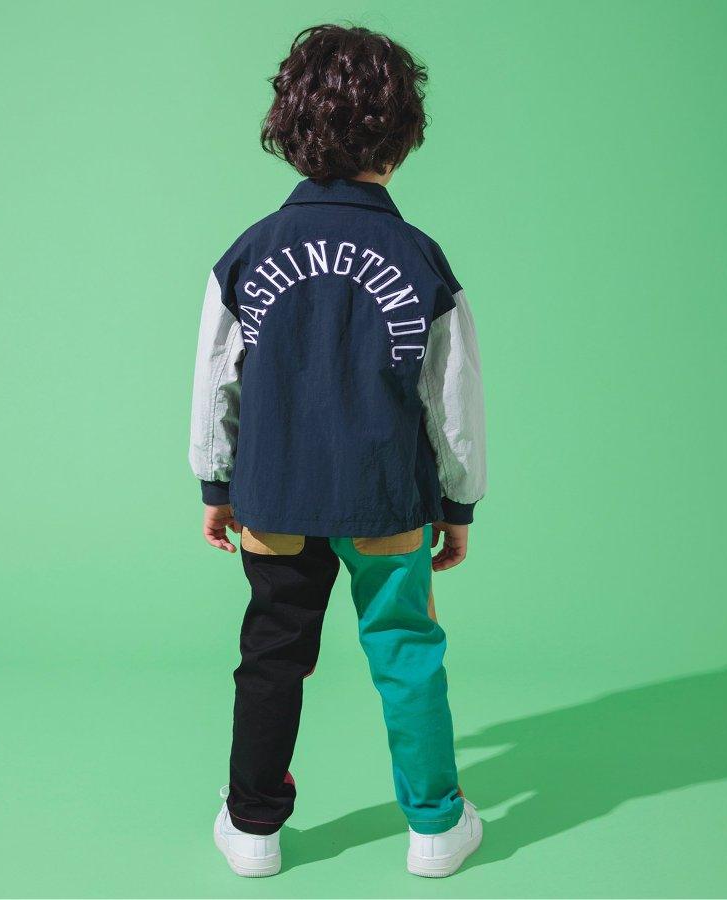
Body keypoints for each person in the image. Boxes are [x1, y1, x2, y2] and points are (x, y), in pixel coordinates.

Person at [189, 23, 487, 878]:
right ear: (402, 138)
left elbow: (214, 384)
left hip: (273, 495)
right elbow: (453, 400)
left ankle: (253, 830)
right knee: (406, 652)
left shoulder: (248, 253)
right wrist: (458, 502)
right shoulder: (421, 259)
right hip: (387, 496)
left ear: (288, 129)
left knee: (271, 656)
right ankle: (436, 828)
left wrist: (216, 482)